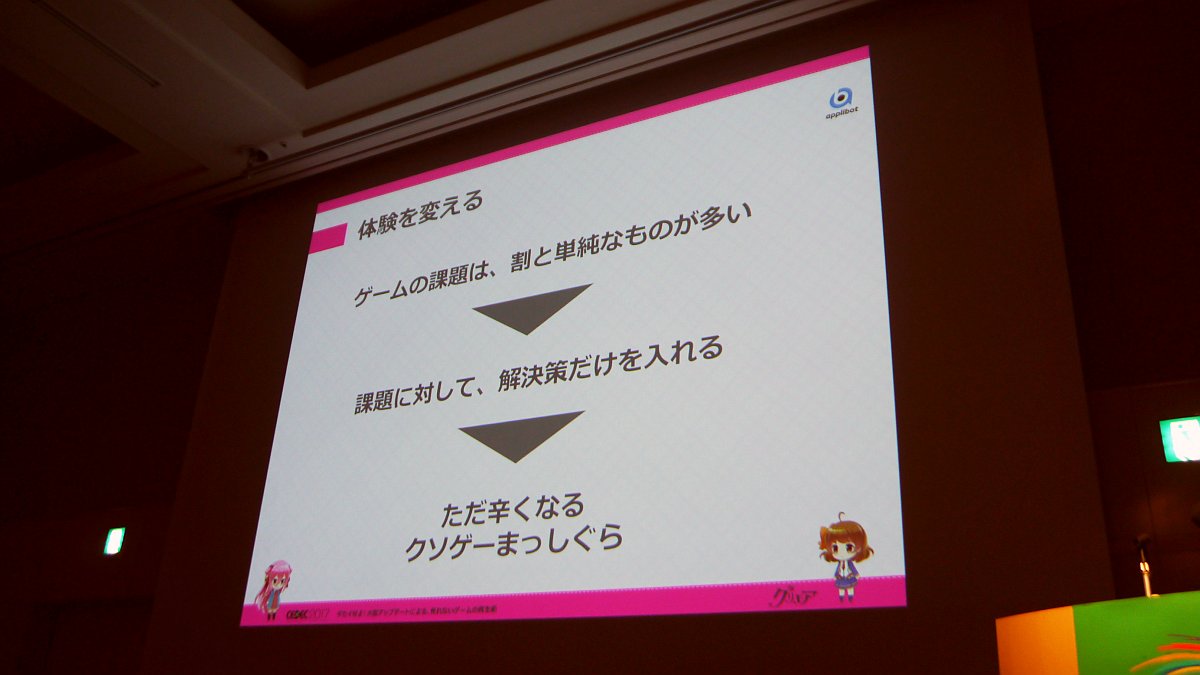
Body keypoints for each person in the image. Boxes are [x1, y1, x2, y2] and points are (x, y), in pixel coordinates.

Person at [818, 514, 873, 602]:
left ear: (859, 547)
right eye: (835, 548)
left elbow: (852, 568)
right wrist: (836, 575)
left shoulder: (849, 562)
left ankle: (851, 598)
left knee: (850, 588)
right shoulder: (840, 563)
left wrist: (856, 574)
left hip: (849, 577)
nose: (842, 554)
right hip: (841, 578)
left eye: (849, 548)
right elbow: (838, 569)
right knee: (841, 589)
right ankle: (841, 598)